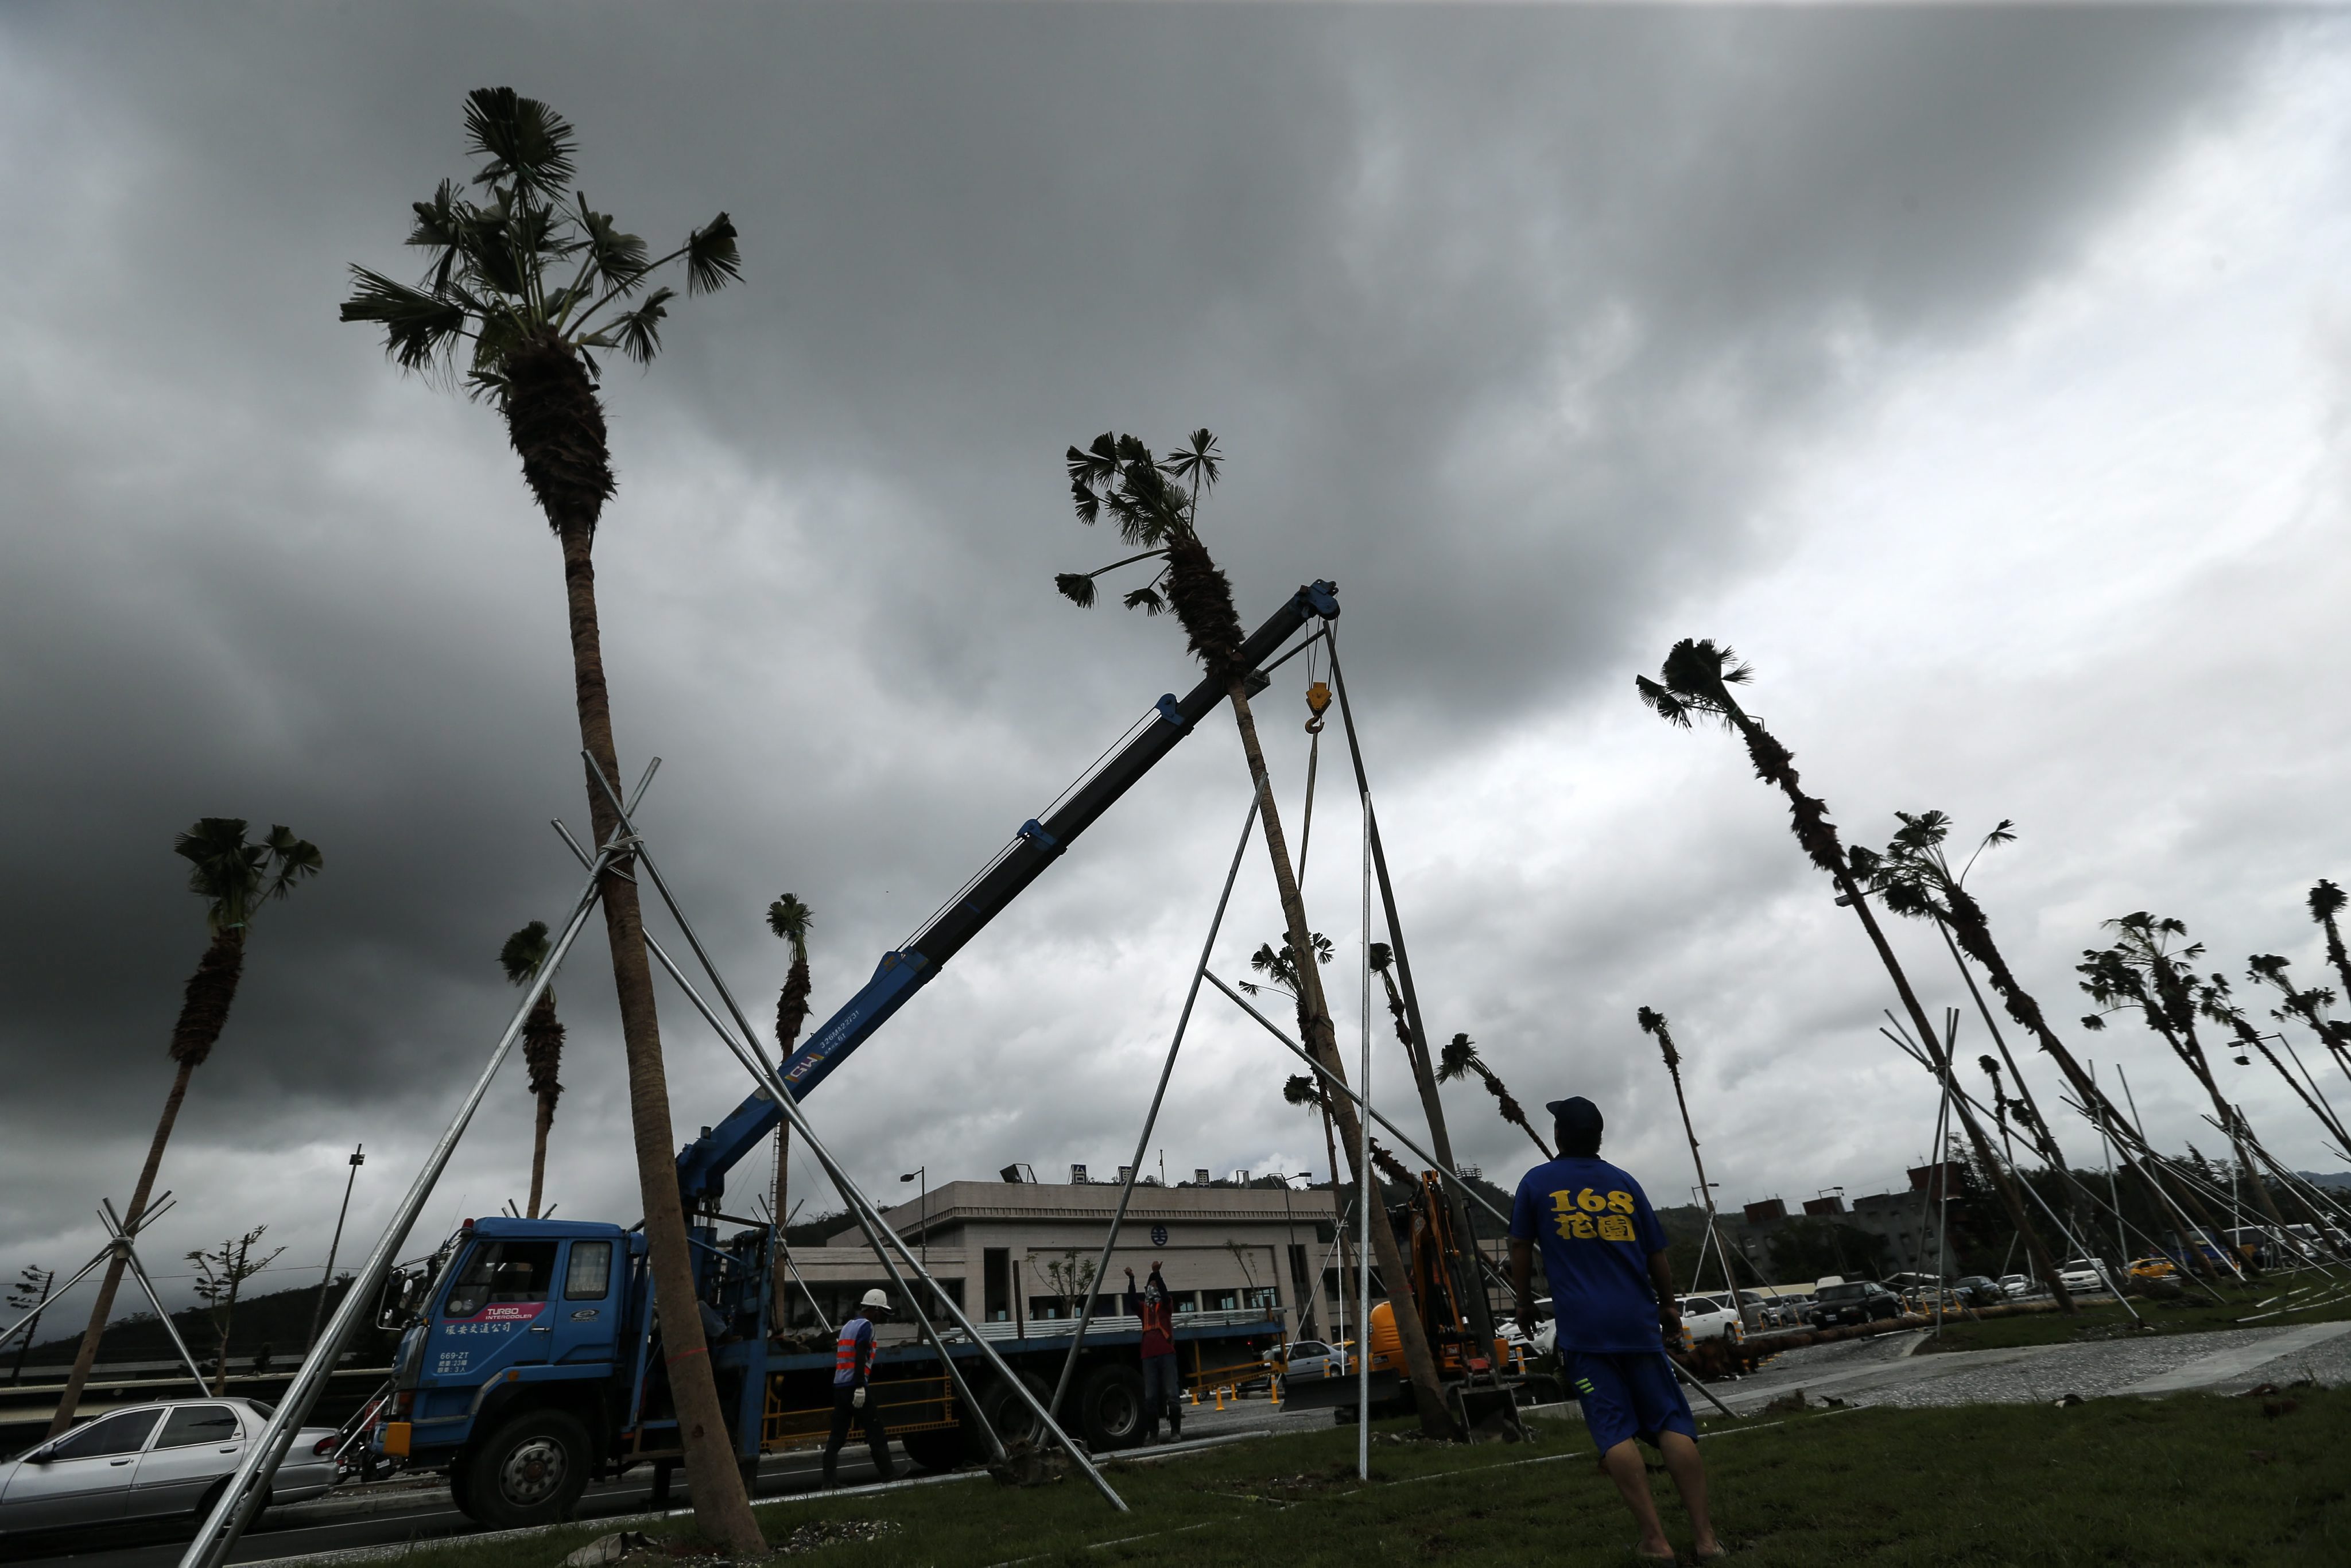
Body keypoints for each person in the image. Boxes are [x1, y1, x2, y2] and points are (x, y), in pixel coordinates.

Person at [1511, 1096, 1722, 1563]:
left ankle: (1656, 1541)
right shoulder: (1625, 1184)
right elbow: (1656, 1255)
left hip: (1586, 1331)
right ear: (1599, 1137)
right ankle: (1706, 1539)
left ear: (1559, 1136)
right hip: (1638, 1323)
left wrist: (1524, 1302)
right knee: (1671, 1423)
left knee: (1614, 1432)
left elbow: (1520, 1247)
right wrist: (1667, 1305)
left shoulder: (1537, 1183)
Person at [822, 1287, 899, 1488]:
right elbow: (860, 1355)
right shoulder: (867, 1327)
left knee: (837, 1437)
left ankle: (829, 1482)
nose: (882, 1318)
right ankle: (889, 1475)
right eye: (882, 1313)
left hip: (839, 1386)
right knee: (876, 1431)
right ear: (874, 1309)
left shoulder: (848, 1325)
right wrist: (859, 1386)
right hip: (854, 1387)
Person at [1123, 1262, 1181, 1443]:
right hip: (1148, 1356)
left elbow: (1164, 1295)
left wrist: (1157, 1275)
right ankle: (1154, 1434)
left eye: (1155, 1285)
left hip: (1166, 1354)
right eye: (1151, 1285)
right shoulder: (1143, 1308)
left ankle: (1175, 1432)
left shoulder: (1166, 1305)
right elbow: (1132, 1302)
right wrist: (1132, 1280)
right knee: (1150, 1398)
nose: (1154, 1288)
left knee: (1172, 1394)